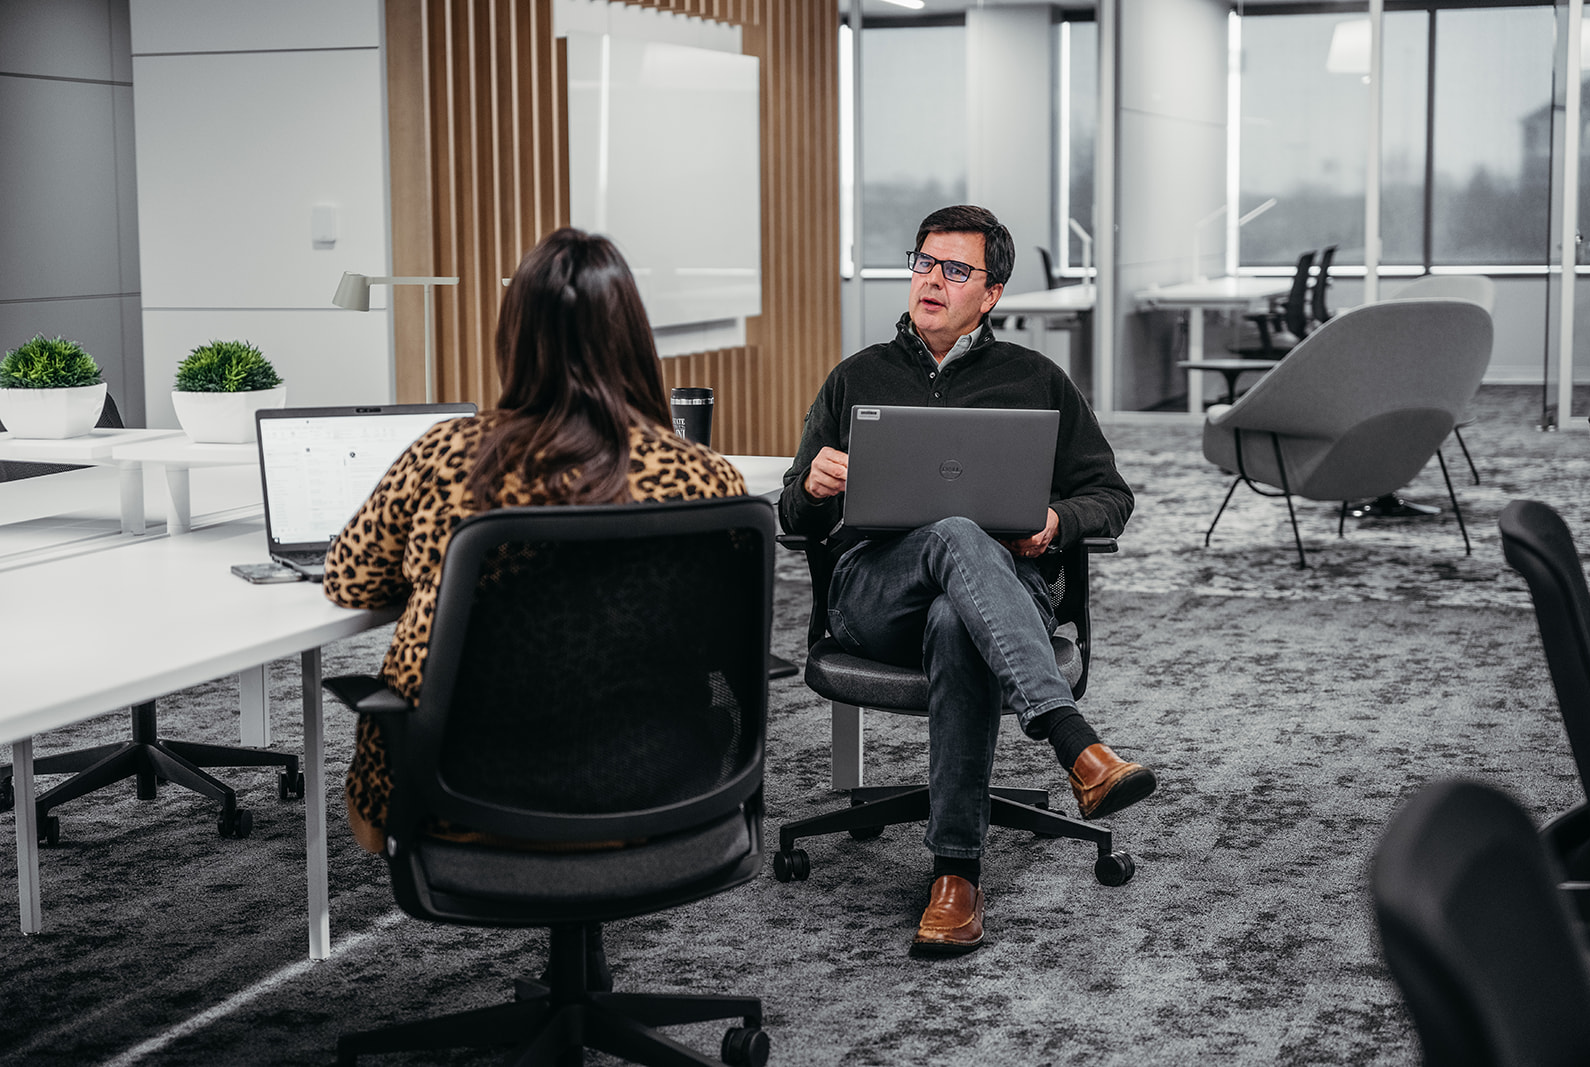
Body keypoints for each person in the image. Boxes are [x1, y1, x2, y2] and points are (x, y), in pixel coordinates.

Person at [779, 204, 1156, 954]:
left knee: (959, 618)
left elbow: (1111, 496)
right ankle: (1073, 740)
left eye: (955, 270)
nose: (931, 280)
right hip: (873, 592)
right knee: (954, 531)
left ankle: (956, 876)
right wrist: (813, 486)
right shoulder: (858, 377)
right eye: (923, 262)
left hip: (996, 592)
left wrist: (1055, 522)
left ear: (991, 294)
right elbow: (792, 508)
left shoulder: (1036, 379)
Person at [324, 227, 747, 855]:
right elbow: (731, 635)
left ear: (512, 337)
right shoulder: (706, 478)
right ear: (635, 339)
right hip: (659, 790)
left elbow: (351, 579)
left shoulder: (447, 455)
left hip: (455, 798)